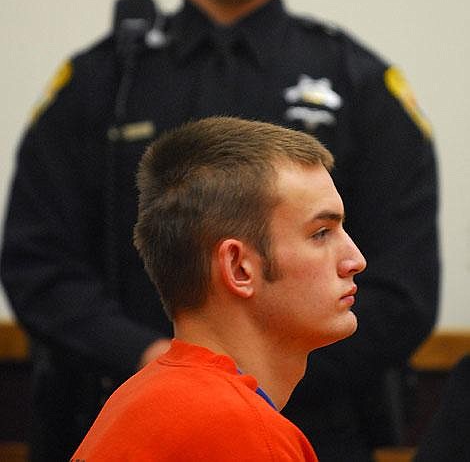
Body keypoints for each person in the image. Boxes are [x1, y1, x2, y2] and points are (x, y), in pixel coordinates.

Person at [1, 0, 439, 462]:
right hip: (118, 413)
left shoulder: (361, 88)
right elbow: (38, 264)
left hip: (313, 426)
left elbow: (398, 291)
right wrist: (161, 362)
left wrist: (262, 378)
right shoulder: (99, 85)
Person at [72, 116, 367, 460]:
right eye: (320, 234)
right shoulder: (238, 429)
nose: (355, 260)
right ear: (239, 268)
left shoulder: (136, 399)